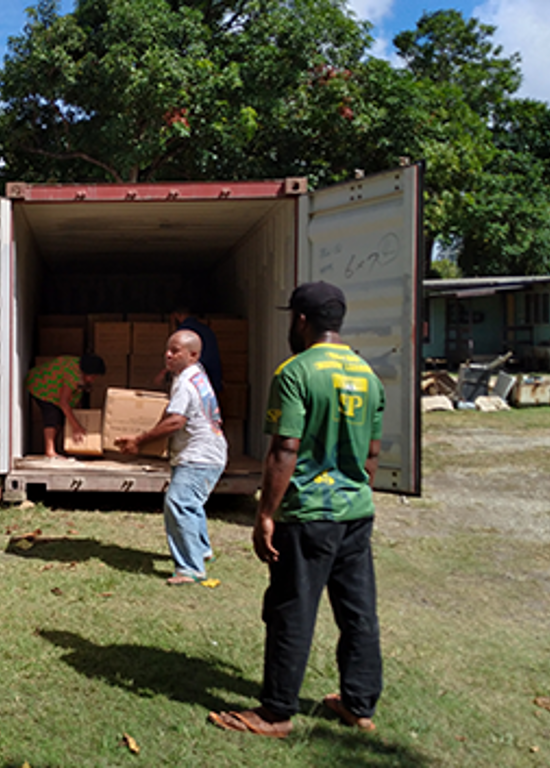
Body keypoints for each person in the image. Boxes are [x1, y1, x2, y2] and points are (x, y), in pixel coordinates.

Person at [208, 281, 385, 738]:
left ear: (301, 320)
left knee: (292, 609)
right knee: (358, 611)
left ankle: (276, 712)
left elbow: (285, 448)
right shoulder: (367, 374)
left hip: (309, 514)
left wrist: (265, 512)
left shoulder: (296, 372)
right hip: (355, 512)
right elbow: (371, 455)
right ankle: (357, 703)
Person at [115, 330, 226, 585]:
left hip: (199, 455)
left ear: (193, 354)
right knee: (191, 503)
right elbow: (172, 410)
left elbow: (176, 420)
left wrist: (139, 440)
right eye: (168, 349)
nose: (168, 354)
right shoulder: (194, 374)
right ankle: (202, 550)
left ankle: (190, 569)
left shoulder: (186, 382)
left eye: (175, 351)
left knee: (179, 503)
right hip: (207, 452)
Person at [26, 353, 106, 459]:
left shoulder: (80, 369)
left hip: (54, 388)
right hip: (41, 385)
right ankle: (49, 451)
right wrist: (76, 427)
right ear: (86, 372)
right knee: (52, 415)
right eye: (93, 376)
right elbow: (63, 403)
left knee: (62, 418)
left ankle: (58, 448)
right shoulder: (72, 375)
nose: (93, 379)